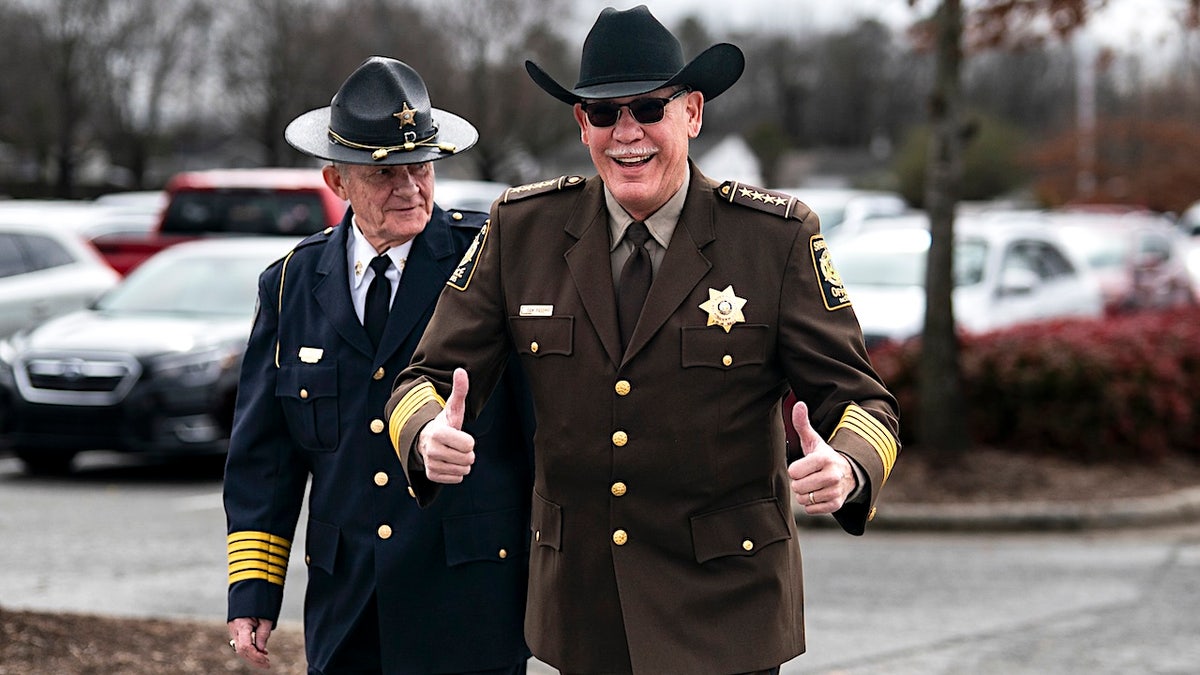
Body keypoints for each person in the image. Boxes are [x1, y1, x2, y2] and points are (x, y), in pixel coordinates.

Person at [386, 6, 900, 674]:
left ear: (693, 113)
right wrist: (425, 433)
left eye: (649, 109)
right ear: (582, 124)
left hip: (727, 612)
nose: (626, 134)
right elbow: (423, 378)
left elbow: (864, 402)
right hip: (583, 610)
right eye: (604, 113)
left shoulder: (774, 238)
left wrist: (848, 467)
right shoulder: (522, 229)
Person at [223, 56, 534, 675]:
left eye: (421, 166)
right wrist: (254, 591)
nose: (411, 187)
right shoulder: (290, 284)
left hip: (469, 606)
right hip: (347, 610)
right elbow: (266, 461)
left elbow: (541, 431)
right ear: (336, 181)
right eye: (385, 172)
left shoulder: (491, 265)